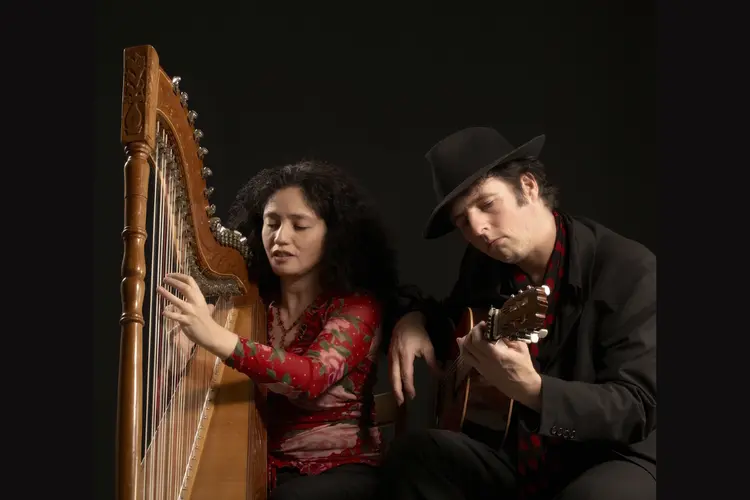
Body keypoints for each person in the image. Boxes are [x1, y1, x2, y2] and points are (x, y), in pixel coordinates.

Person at [380, 127, 656, 499]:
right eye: (463, 220)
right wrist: (415, 321)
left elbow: (635, 410)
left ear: (528, 187)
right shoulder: (484, 264)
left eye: (487, 204)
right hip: (520, 457)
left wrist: (535, 392)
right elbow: (454, 324)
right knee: (414, 457)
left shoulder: (627, 268)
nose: (477, 228)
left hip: (609, 455)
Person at [157, 160, 399, 500]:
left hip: (341, 472)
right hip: (263, 470)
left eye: (299, 225)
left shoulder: (356, 308)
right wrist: (178, 353)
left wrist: (213, 336)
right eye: (272, 224)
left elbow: (311, 378)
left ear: (335, 235)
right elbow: (165, 407)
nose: (280, 238)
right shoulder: (250, 308)